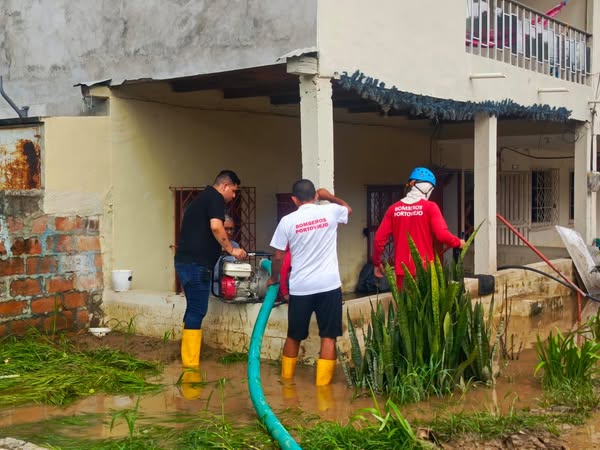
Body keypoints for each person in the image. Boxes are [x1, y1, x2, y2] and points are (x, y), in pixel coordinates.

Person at [267, 179, 352, 386]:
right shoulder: (330, 211)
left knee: (294, 336)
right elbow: (348, 209)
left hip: (301, 288)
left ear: (294, 199)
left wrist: (274, 278)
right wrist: (329, 196)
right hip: (329, 286)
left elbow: (278, 257)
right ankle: (323, 389)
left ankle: (286, 383)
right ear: (315, 196)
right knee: (328, 337)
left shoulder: (287, 221)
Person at [175, 170, 247, 369]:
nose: (234, 195)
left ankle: (185, 357)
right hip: (196, 265)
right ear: (224, 186)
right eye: (233, 191)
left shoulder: (201, 200)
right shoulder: (215, 198)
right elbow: (216, 227)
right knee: (198, 310)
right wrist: (232, 249)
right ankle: (190, 366)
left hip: (185, 262)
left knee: (192, 309)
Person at [371, 167, 465, 289]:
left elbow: (378, 239)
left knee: (404, 301)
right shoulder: (430, 207)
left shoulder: (393, 209)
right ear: (428, 188)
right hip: (425, 272)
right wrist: (458, 242)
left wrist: (377, 262)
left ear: (412, 184)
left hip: (402, 273)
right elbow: (442, 235)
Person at [213, 214, 241, 295]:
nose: (229, 232)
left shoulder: (235, 246)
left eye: (231, 229)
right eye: (226, 229)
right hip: (213, 287)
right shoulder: (210, 245)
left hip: (231, 287)